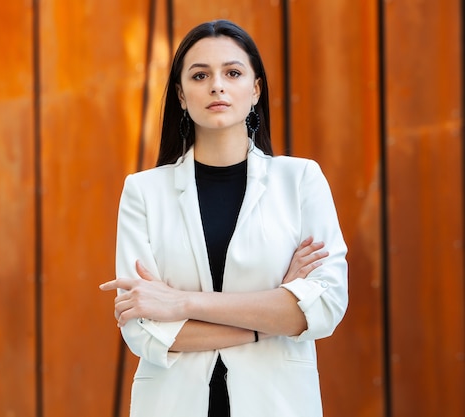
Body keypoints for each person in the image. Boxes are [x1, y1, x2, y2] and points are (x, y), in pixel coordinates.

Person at [100, 19, 348, 417]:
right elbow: (144, 330)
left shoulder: (300, 180)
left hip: (278, 403)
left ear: (255, 90)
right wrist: (272, 312)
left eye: (232, 72)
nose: (217, 85)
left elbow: (323, 308)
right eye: (200, 75)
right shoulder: (143, 192)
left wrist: (180, 302)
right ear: (181, 95)